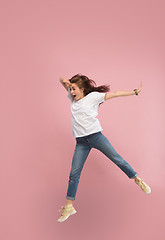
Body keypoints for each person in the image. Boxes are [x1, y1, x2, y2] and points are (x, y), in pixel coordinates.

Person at [58, 74, 151, 223]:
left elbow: (114, 94)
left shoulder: (93, 97)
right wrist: (65, 81)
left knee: (117, 159)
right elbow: (61, 79)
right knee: (74, 174)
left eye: (74, 89)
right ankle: (69, 207)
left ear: (82, 89)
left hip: (96, 137)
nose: (71, 92)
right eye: (70, 89)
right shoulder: (72, 99)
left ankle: (137, 179)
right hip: (81, 142)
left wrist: (134, 92)